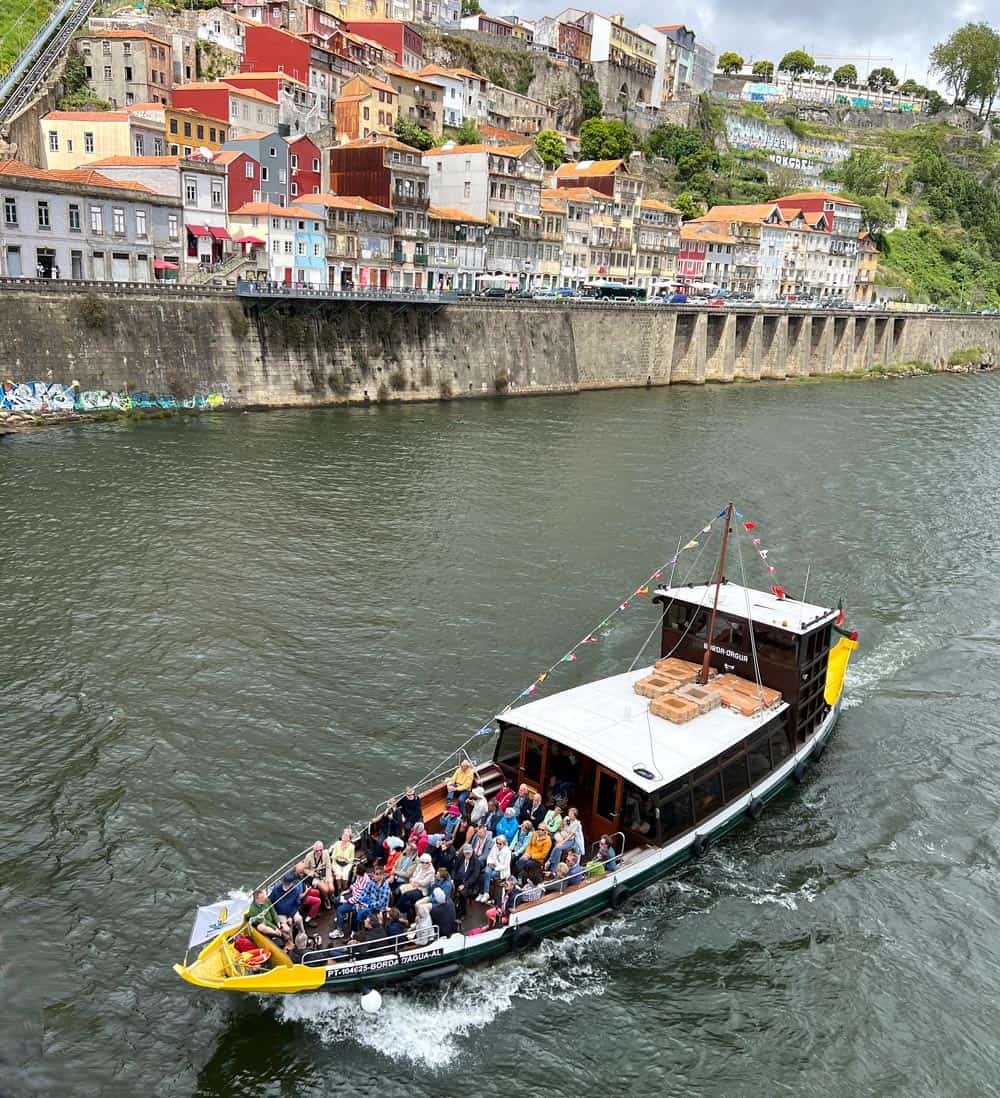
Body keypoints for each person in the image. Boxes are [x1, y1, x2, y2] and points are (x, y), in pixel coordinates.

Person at [331, 863, 372, 940]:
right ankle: (343, 917)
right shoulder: (360, 876)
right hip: (352, 895)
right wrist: (347, 891)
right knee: (337, 899)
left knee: (340, 909)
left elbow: (357, 899)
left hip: (357, 902)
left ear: (358, 871)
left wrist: (346, 900)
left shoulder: (364, 882)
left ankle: (339, 931)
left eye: (355, 869)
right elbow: (355, 885)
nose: (353, 869)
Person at [547, 807, 585, 874]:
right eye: (569, 813)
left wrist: (562, 842)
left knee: (557, 847)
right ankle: (554, 868)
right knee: (558, 849)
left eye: (571, 813)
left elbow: (570, 835)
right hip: (561, 836)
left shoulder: (576, 823)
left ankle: (550, 862)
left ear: (574, 815)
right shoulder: (567, 818)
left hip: (569, 840)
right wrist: (562, 824)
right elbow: (561, 828)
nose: (569, 815)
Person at [478, 833, 511, 902]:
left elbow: (505, 865)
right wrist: (489, 863)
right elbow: (490, 856)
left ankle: (484, 893)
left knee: (488, 874)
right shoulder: (495, 847)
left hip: (501, 870)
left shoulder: (507, 851)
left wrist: (495, 867)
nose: (498, 844)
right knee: (486, 872)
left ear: (504, 844)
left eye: (500, 843)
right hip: (492, 865)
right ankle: (486, 893)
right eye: (497, 842)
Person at [302, 841, 335, 908]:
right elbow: (305, 869)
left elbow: (328, 866)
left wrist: (327, 878)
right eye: (317, 851)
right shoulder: (309, 856)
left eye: (321, 850)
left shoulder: (326, 853)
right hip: (315, 877)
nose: (319, 852)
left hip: (325, 873)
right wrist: (313, 874)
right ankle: (326, 899)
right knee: (325, 889)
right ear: (314, 850)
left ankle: (331, 895)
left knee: (331, 889)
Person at [452, 843, 482, 916]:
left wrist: (464, 885)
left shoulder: (476, 862)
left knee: (462, 893)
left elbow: (474, 877)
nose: (467, 855)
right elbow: (454, 869)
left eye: (469, 853)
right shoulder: (460, 857)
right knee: (449, 887)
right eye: (466, 853)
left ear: (472, 852)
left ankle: (462, 912)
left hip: (469, 883)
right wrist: (452, 879)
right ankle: (452, 909)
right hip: (458, 879)